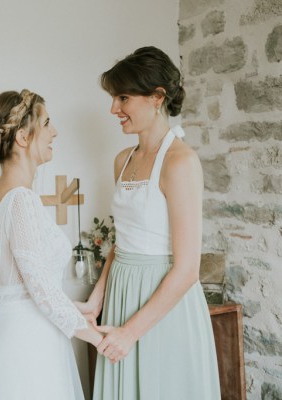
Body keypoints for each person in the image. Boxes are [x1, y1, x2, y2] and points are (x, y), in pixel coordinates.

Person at [78, 46, 220, 399]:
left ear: (157, 97)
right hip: (123, 294)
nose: (114, 109)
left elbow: (188, 269)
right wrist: (97, 300)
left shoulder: (180, 162)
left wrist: (130, 332)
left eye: (123, 97)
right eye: (114, 98)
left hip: (162, 302)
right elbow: (122, 240)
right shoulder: (122, 161)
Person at [0, 89, 103, 400]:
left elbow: (17, 284)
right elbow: (39, 289)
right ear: (23, 137)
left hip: (12, 330)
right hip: (28, 343)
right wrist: (97, 338)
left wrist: (74, 310)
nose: (54, 131)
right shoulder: (20, 199)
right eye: (47, 122)